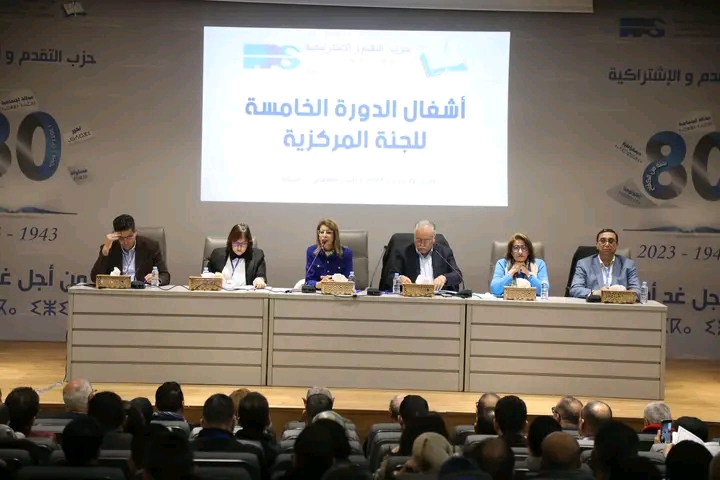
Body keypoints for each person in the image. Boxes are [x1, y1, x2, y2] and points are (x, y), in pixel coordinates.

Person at [90, 214, 170, 285]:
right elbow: (94, 278)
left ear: (135, 232)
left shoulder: (150, 246)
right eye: (121, 238)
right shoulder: (110, 248)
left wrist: (156, 279)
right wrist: (105, 252)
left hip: (142, 292)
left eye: (129, 237)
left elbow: (165, 275)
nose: (125, 242)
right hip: (117, 293)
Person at [387, 220, 463, 291]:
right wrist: (400, 278)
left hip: (438, 296)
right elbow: (389, 276)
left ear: (433, 240)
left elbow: (458, 275)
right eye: (418, 240)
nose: (422, 244)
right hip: (412, 297)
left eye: (426, 240)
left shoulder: (444, 253)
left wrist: (444, 278)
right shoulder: (403, 253)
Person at [569, 229, 639, 299]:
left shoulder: (628, 264)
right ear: (597, 245)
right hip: (593, 304)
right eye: (603, 241)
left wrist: (620, 294)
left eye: (611, 241)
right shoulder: (584, 264)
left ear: (616, 245)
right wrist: (596, 293)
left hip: (619, 304)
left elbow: (637, 292)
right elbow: (575, 289)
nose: (607, 244)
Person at [206, 223, 267, 288]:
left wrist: (259, 280)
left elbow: (261, 276)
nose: (239, 248)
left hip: (246, 294)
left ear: (249, 243)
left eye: (243, 244)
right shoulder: (217, 254)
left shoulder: (257, 256)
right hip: (221, 293)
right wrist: (213, 276)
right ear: (230, 242)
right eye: (236, 243)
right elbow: (205, 275)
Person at [305, 218, 353, 287]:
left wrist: (334, 280)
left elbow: (349, 280)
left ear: (335, 236)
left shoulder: (346, 253)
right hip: (318, 291)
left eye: (328, 232)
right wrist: (319, 284)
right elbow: (309, 280)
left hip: (339, 290)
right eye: (321, 232)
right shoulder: (311, 251)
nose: (324, 235)